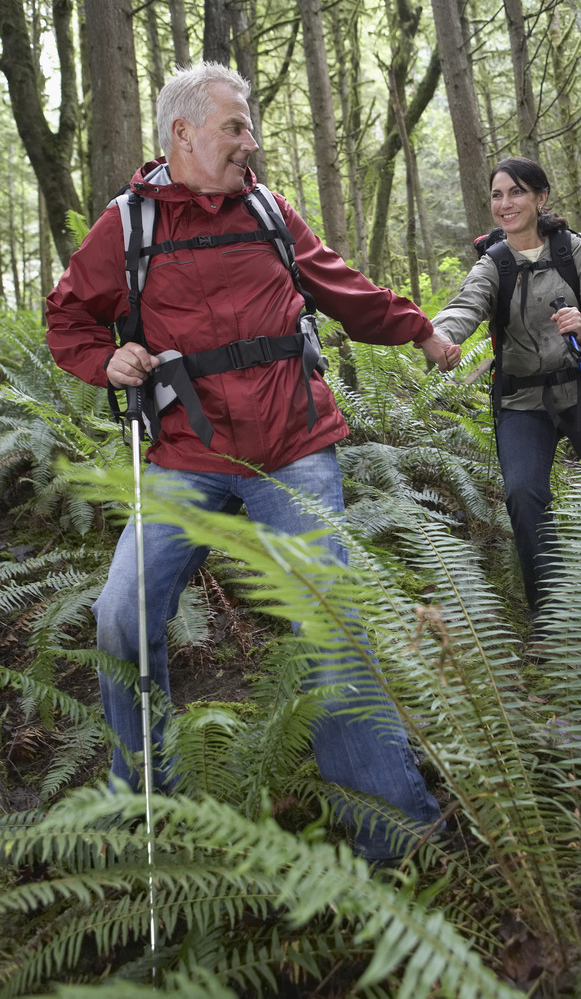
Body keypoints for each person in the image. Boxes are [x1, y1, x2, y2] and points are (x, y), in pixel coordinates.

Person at [45, 61, 461, 862]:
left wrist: (419, 329)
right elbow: (67, 319)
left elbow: (344, 288)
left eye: (250, 126)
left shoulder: (269, 210)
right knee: (122, 613)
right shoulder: (127, 226)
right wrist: (110, 360)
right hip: (185, 457)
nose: (250, 141)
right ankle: (147, 794)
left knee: (328, 625)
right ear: (184, 133)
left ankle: (395, 839)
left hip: (293, 446)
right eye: (237, 126)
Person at [432, 156, 581, 616]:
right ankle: (552, 621)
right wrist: (442, 337)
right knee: (525, 495)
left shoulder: (574, 252)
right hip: (523, 402)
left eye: (517, 192)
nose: (506, 203)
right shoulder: (494, 263)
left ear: (540, 197)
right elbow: (466, 304)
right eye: (497, 195)